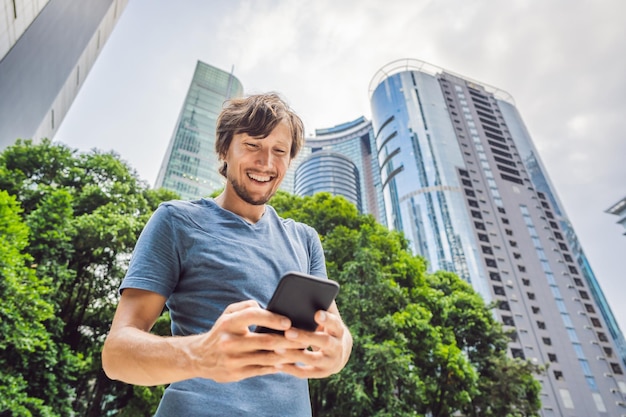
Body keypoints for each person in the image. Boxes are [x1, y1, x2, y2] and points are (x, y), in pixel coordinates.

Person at [102, 93, 353, 416]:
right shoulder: (176, 221)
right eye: (253, 145)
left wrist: (339, 348)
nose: (266, 162)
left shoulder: (305, 240)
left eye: (279, 151)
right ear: (224, 150)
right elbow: (116, 355)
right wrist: (200, 355)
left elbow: (336, 333)